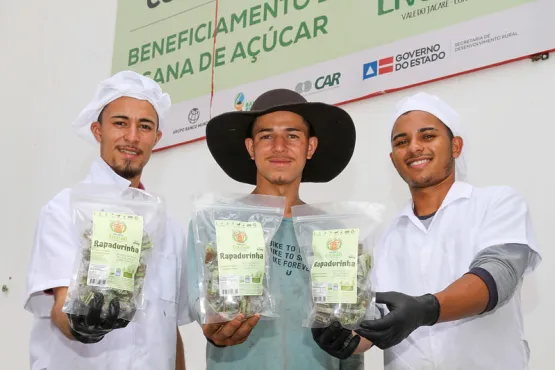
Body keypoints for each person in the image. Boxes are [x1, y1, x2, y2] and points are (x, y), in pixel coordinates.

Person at [314, 91, 542, 369]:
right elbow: (377, 324)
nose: (413, 148)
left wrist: (427, 309)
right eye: (402, 142)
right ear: (393, 157)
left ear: (455, 146)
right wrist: (343, 337)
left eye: (427, 136)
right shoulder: (385, 238)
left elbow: (499, 275)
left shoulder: (497, 203)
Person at [186, 88, 369, 369]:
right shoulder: (215, 223)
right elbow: (204, 309)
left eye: (293, 136)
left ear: (310, 147)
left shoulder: (334, 233)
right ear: (251, 147)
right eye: (266, 136)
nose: (279, 146)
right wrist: (216, 327)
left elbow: (349, 333)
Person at [24, 70, 191, 370]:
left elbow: (170, 333)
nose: (132, 136)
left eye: (145, 126)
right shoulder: (63, 210)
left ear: (157, 137)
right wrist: (86, 326)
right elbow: (61, 311)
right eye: (120, 123)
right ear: (98, 131)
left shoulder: (170, 229)